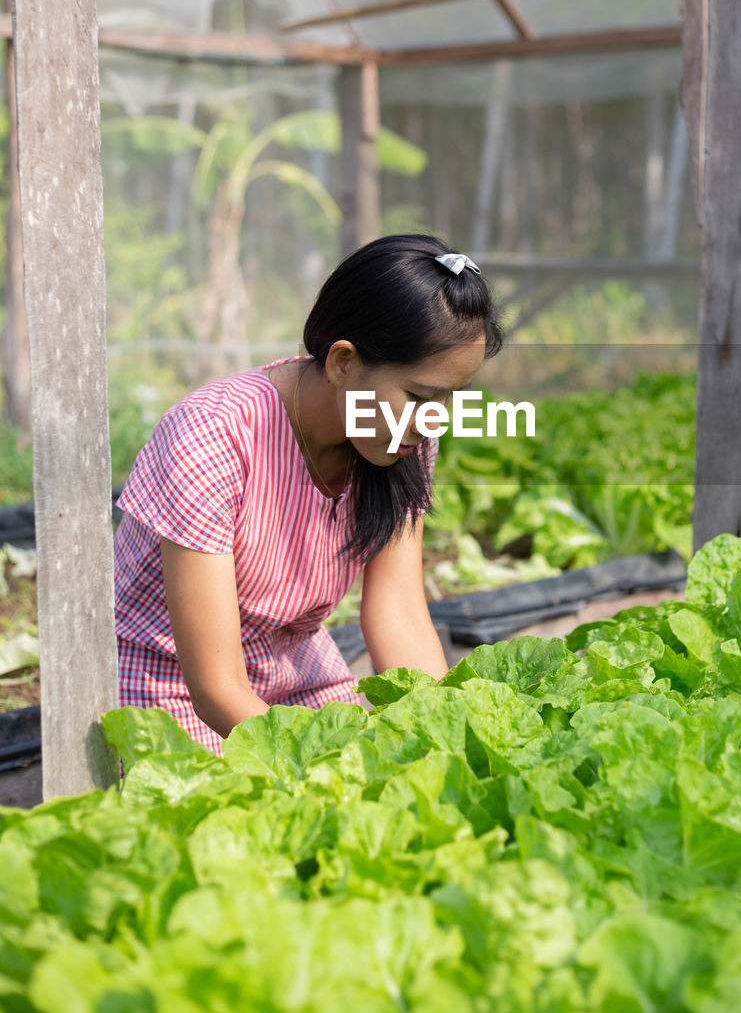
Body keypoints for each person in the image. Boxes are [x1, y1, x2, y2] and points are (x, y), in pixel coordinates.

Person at [113, 233, 504, 755]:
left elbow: (400, 614)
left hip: (295, 665)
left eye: (450, 399)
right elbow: (217, 687)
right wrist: (324, 762)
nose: (435, 419)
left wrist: (443, 735)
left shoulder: (406, 439)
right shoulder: (213, 434)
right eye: (420, 397)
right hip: (174, 683)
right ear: (343, 362)